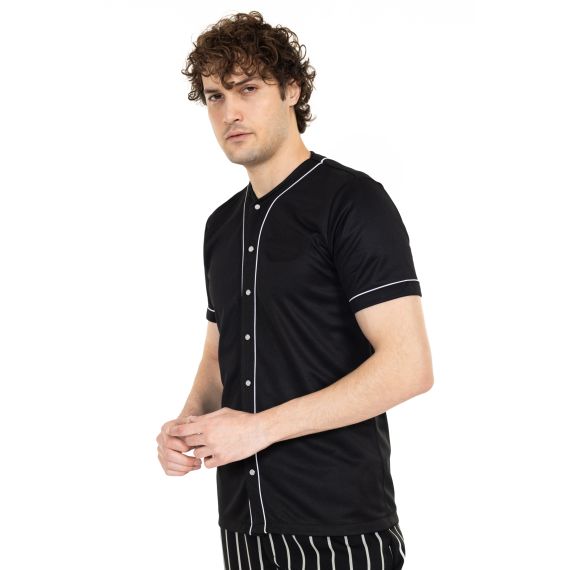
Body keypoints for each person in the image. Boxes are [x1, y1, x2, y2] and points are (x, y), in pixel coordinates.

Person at [156, 10, 434, 570]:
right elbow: (218, 353)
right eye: (214, 97)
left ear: (291, 90)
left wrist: (258, 430)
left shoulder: (352, 202)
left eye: (248, 89)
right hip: (242, 525)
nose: (229, 112)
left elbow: (409, 367)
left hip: (339, 529)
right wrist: (187, 424)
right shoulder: (220, 226)